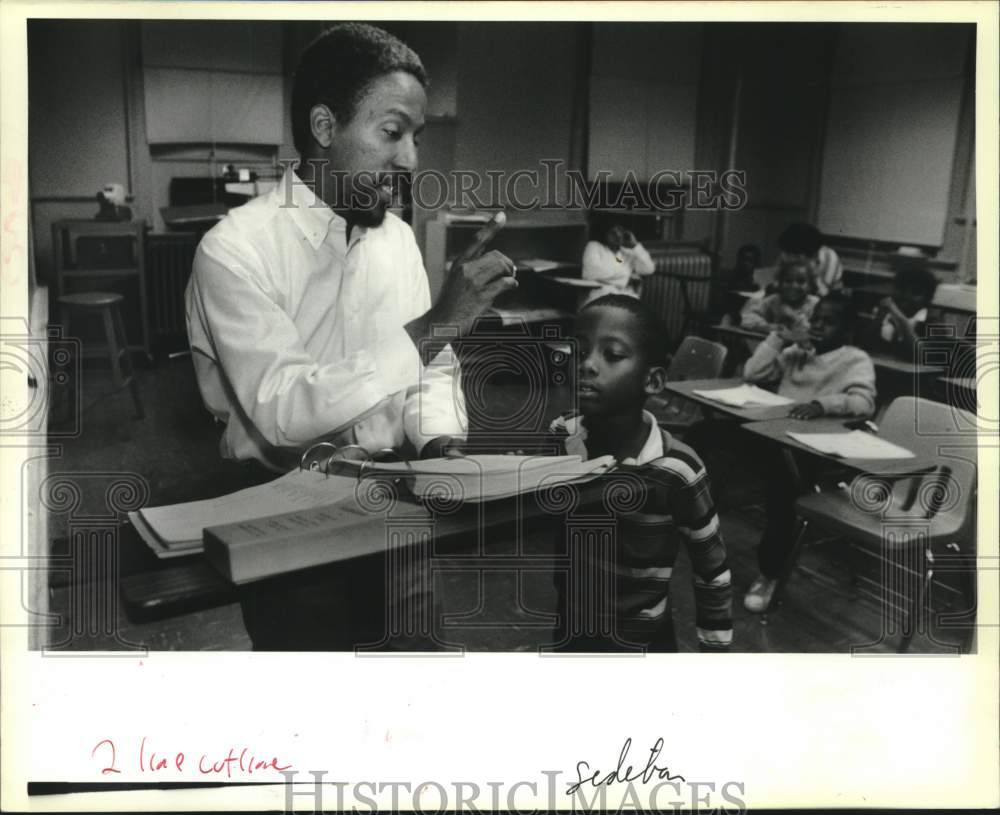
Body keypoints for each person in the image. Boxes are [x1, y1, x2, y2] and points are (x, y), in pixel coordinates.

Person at [185, 23, 517, 650]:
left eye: (415, 137)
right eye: (392, 132)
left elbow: (432, 369)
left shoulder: (393, 238)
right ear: (323, 128)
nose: (412, 158)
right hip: (287, 523)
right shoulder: (233, 250)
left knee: (412, 686)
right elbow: (284, 409)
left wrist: (442, 445)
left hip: (403, 513)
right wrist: (435, 325)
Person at [547, 294, 732, 652]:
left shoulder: (677, 469)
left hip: (643, 642)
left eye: (612, 355)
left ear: (654, 381)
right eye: (579, 351)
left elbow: (712, 571)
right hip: (571, 628)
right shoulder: (562, 436)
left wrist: (715, 655)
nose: (587, 365)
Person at [740, 291, 876, 612]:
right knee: (709, 437)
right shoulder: (797, 353)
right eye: (815, 319)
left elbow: (865, 403)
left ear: (847, 331)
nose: (818, 327)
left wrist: (822, 404)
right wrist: (777, 337)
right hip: (779, 438)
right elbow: (752, 374)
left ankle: (769, 574)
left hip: (818, 450)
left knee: (782, 488)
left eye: (829, 323)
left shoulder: (855, 359)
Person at [864, 259, 939, 359]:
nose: (907, 296)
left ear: (927, 298)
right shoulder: (884, 313)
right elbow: (864, 347)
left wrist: (899, 317)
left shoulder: (933, 321)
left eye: (915, 292)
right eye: (902, 290)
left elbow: (923, 356)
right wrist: (878, 319)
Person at [580, 218, 656, 305]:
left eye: (621, 230)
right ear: (605, 232)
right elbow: (592, 273)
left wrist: (635, 246)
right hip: (601, 295)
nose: (618, 235)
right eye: (613, 232)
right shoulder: (594, 246)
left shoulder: (627, 253)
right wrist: (626, 275)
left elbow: (649, 269)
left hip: (625, 295)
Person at [740, 259, 819, 333]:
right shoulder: (775, 300)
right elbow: (746, 318)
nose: (794, 286)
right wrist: (769, 327)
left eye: (801, 282)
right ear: (780, 284)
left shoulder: (815, 304)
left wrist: (793, 317)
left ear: (810, 285)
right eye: (788, 281)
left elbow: (814, 331)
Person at [775, 221, 843, 297]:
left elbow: (822, 293)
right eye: (787, 253)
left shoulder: (830, 258)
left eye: (794, 255)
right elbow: (778, 283)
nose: (788, 258)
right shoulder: (787, 254)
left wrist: (811, 270)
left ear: (812, 255)